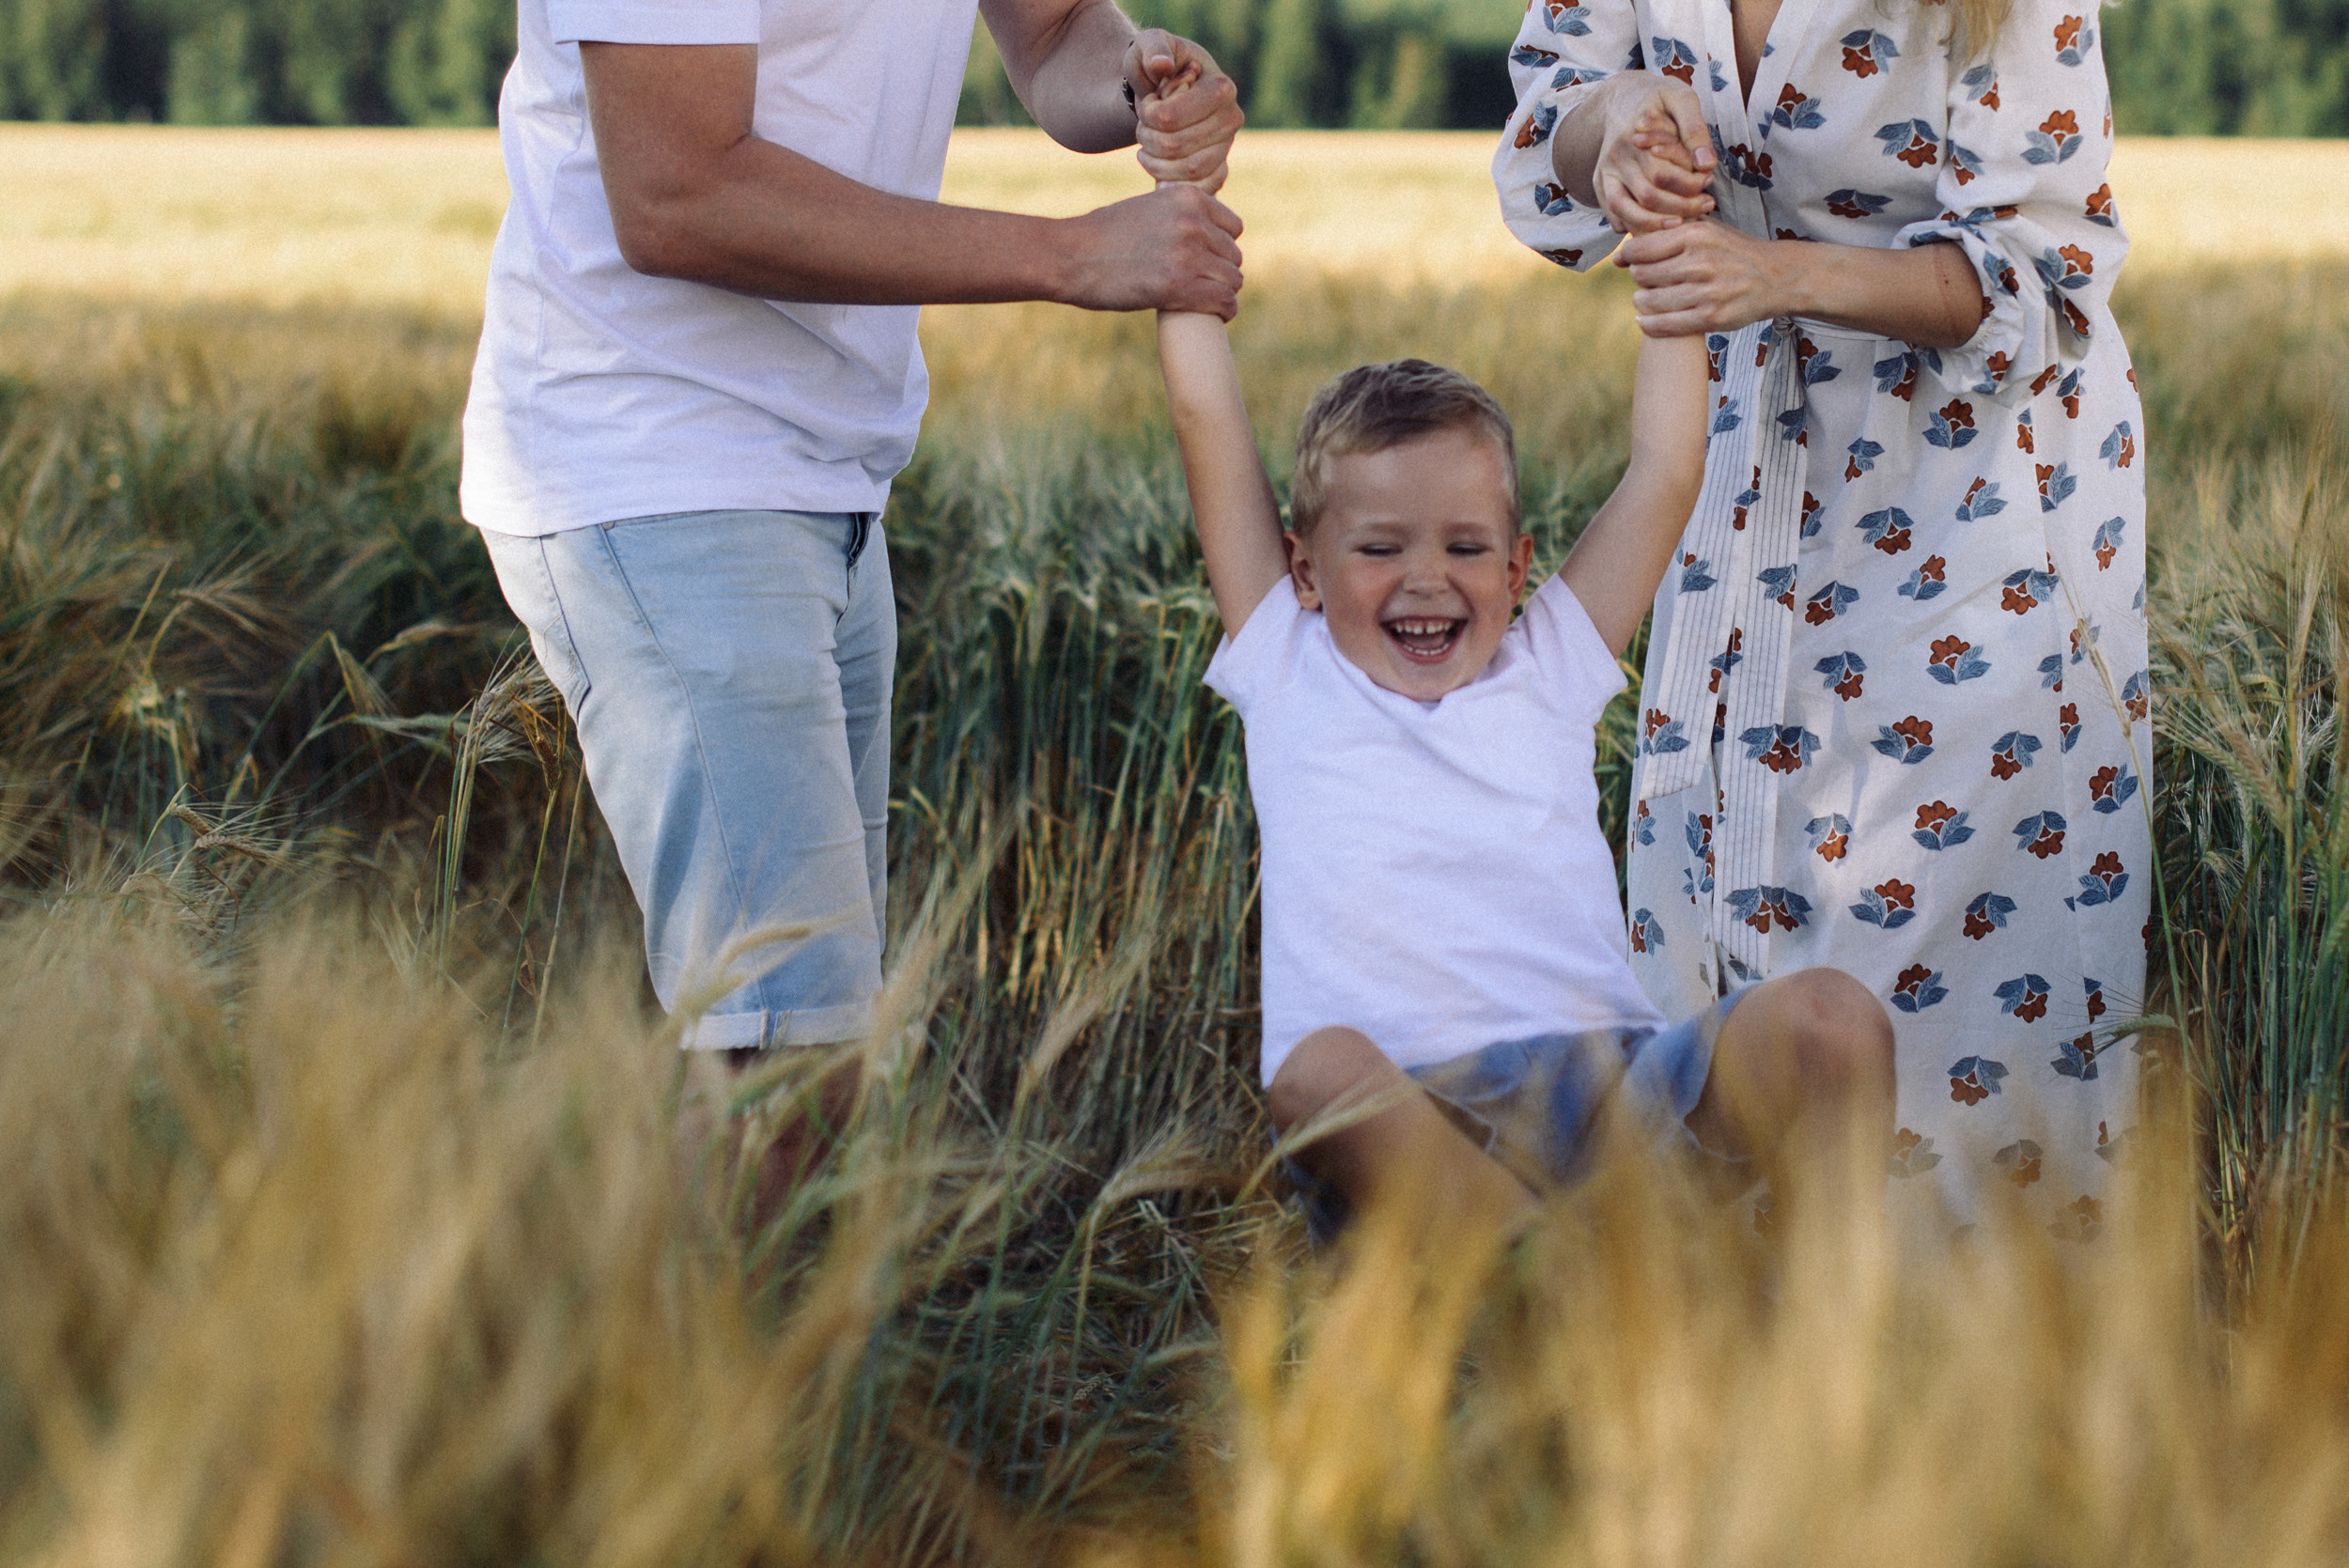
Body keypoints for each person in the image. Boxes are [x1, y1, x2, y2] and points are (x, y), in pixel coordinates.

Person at [458, 2, 1243, 1096]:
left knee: (799, 1053)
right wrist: (1068, 254)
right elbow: (677, 194)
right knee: (788, 1061)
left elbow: (1055, 28)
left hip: (831, 474)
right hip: (659, 459)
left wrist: (1138, 79)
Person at [1493, 0, 2149, 1239]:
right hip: (1727, 469)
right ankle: (1730, 1330)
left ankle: (1975, 1341)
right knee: (1721, 901)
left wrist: (1773, 275)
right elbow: (1551, 112)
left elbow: (2046, 274)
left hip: (1973, 494)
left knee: (1941, 942)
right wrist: (1616, 125)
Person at [1152, 296, 1894, 1239]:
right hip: (1417, 1121)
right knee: (1317, 1070)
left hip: (1611, 1094)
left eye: (1465, 547)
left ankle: (1823, 1318)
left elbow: (1666, 472)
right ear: (1303, 570)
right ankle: (1568, 1279)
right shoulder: (1286, 665)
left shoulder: (1549, 662)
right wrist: (1182, 258)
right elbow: (1204, 420)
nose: (1427, 577)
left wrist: (1667, 260)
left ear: (1515, 569)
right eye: (1379, 548)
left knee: (1833, 1020)